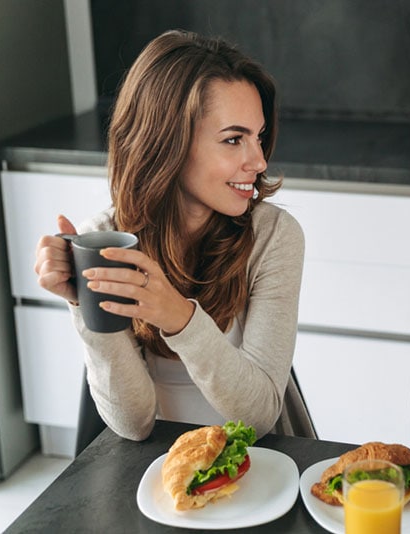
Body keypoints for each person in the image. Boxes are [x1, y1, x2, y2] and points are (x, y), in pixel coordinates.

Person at [34, 30, 305, 441]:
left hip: (259, 466)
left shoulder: (273, 236)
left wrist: (178, 317)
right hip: (155, 471)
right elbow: (133, 424)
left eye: (259, 136)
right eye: (234, 140)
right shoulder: (104, 240)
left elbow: (259, 417)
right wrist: (82, 301)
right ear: (166, 142)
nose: (259, 160)